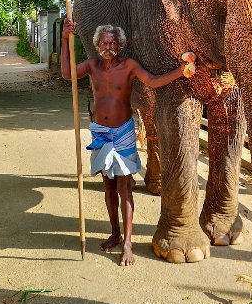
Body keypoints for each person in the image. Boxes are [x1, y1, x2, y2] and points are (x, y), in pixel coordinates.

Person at [61, 20, 196, 266]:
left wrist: (180, 71)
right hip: (100, 133)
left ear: (120, 45)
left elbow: (153, 81)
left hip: (122, 132)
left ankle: (128, 244)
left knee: (124, 188)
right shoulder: (92, 65)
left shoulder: (129, 66)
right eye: (104, 43)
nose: (108, 46)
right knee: (108, 187)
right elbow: (67, 74)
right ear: (97, 45)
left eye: (112, 42)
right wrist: (64, 39)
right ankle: (115, 232)